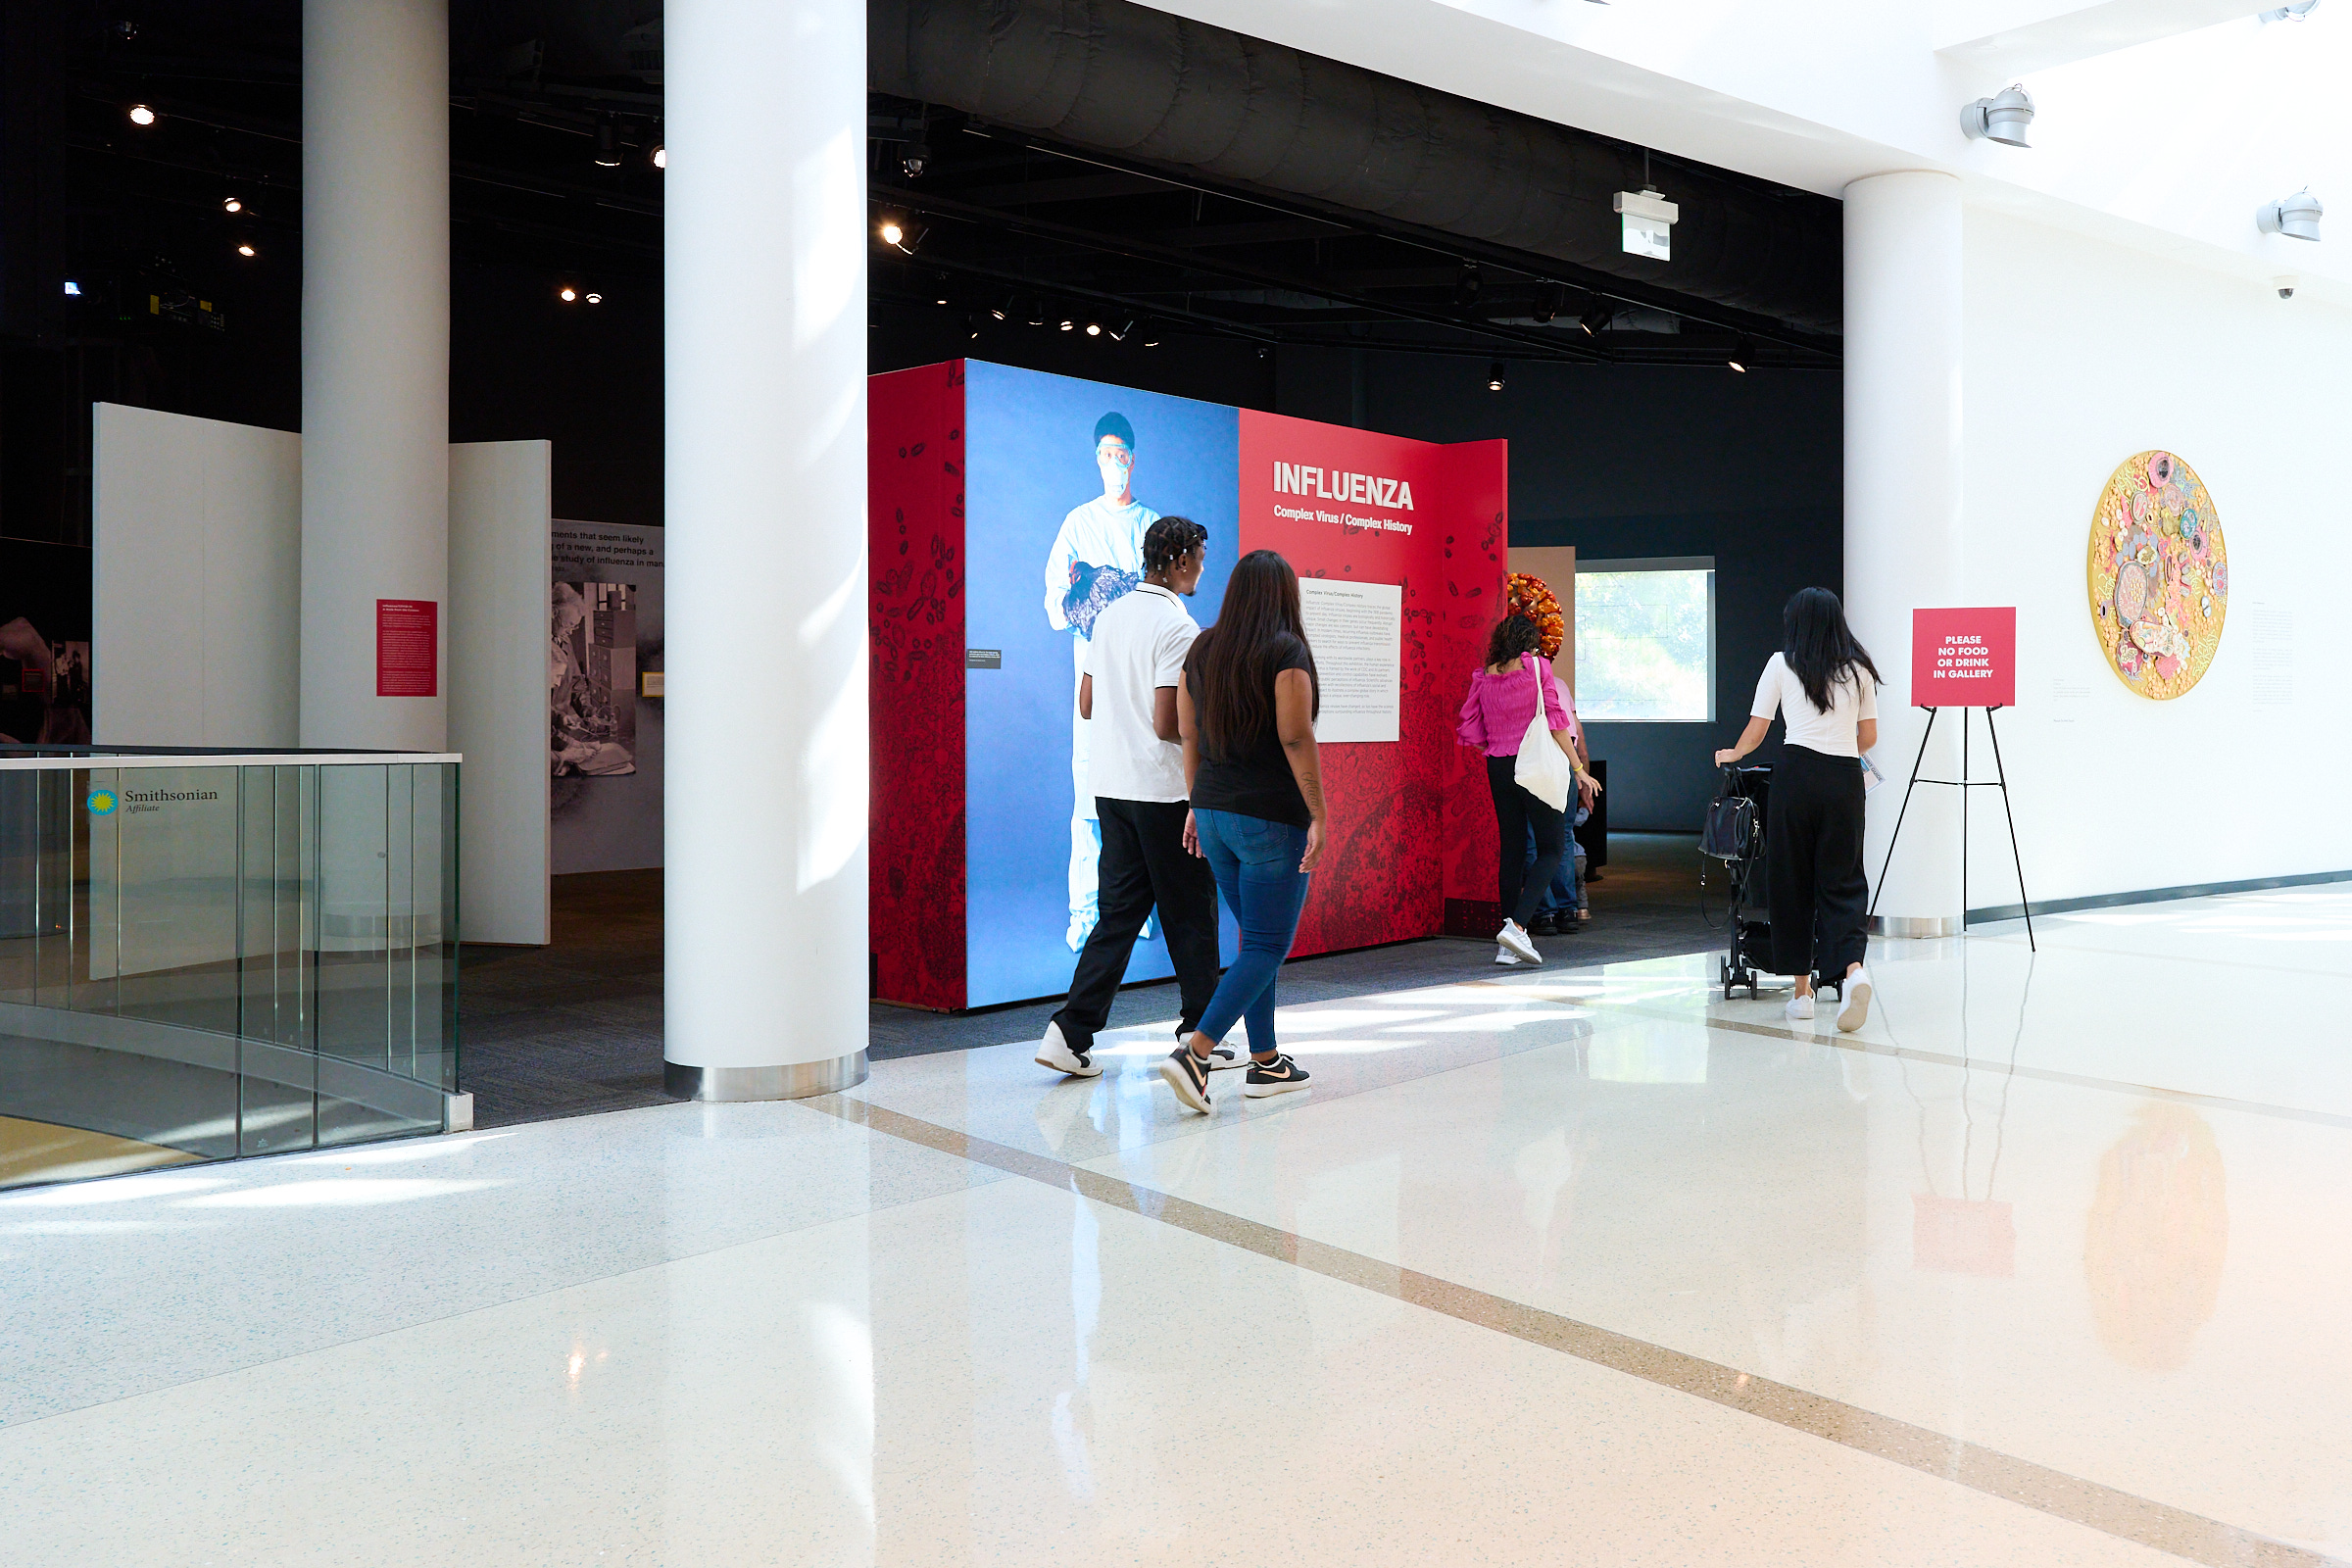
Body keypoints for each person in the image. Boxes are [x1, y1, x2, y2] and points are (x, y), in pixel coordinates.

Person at [1035, 516, 1229, 1079]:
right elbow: (1169, 724)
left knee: (1117, 916)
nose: (1202, 569)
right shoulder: (1178, 626)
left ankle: (1068, 1033)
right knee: (1192, 916)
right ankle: (1199, 1036)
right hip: (1163, 793)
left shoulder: (1110, 616)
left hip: (1112, 791)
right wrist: (1210, 737)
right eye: (1200, 558)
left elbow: (1087, 703)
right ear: (1180, 560)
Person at [1157, 549, 1324, 1113]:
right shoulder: (1286, 651)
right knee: (1268, 945)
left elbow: (1188, 735)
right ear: (1285, 596)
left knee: (1256, 940)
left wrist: (1195, 805)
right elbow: (1295, 737)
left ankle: (1266, 1061)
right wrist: (1320, 814)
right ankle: (1196, 1053)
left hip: (1212, 815)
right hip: (1269, 818)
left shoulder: (1202, 649)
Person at [1714, 586, 1881, 1031]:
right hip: (1844, 779)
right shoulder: (1860, 670)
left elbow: (1758, 728)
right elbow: (1868, 738)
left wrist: (1733, 753)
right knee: (1843, 880)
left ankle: (1802, 994)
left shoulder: (1780, 663)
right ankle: (1853, 971)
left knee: (1792, 881)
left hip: (1796, 777)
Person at [1043, 413, 1159, 953]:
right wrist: (1084, 598)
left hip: (1141, 681)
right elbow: (1054, 602)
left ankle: (1135, 907)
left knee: (1141, 796)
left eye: (1121, 455)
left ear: (1133, 459)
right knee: (1089, 799)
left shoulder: (1150, 525)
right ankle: (1085, 911)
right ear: (1096, 459)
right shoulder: (1077, 524)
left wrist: (1127, 596)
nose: (1114, 463)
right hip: (1092, 682)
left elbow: (1165, 599)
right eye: (1105, 455)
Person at [1457, 613, 1598, 967]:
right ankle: (1518, 927)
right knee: (1552, 848)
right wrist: (1579, 769)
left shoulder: (1485, 674)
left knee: (1513, 850)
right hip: (1533, 765)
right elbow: (1556, 722)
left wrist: (1501, 746)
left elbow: (1472, 727)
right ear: (1529, 642)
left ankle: (1507, 945)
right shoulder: (1537, 668)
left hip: (1498, 765)